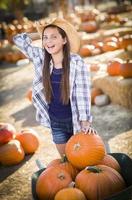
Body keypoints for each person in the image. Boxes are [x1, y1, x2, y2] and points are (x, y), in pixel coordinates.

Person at [13, 18, 96, 156]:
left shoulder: (76, 62)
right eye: (45, 38)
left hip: (75, 119)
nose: (48, 41)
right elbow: (18, 39)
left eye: (53, 37)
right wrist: (39, 34)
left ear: (64, 40)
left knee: (83, 158)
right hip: (56, 123)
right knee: (66, 161)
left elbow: (83, 94)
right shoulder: (41, 57)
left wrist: (85, 122)